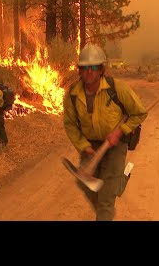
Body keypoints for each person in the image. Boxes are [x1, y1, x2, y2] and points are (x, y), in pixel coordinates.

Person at [63, 44, 148, 221]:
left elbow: (139, 113)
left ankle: (106, 206)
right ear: (79, 70)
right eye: (85, 67)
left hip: (115, 146)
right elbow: (70, 124)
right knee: (85, 183)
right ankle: (121, 179)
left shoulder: (118, 89)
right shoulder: (72, 94)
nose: (89, 72)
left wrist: (120, 132)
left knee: (106, 200)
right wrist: (84, 146)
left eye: (94, 67)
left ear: (101, 69)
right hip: (91, 146)